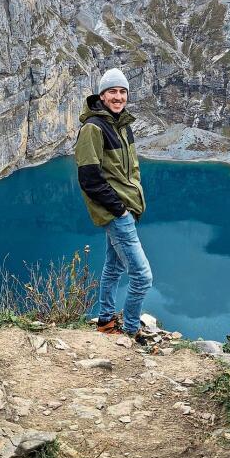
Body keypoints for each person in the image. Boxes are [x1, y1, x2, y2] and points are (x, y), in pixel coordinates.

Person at [74, 67, 152, 344]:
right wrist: (119, 209)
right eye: (112, 92)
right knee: (142, 277)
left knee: (114, 267)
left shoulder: (122, 125)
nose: (118, 97)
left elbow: (130, 170)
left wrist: (131, 203)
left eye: (122, 92)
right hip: (116, 213)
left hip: (125, 210)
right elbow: (89, 178)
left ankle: (106, 321)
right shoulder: (93, 128)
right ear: (101, 95)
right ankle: (130, 331)